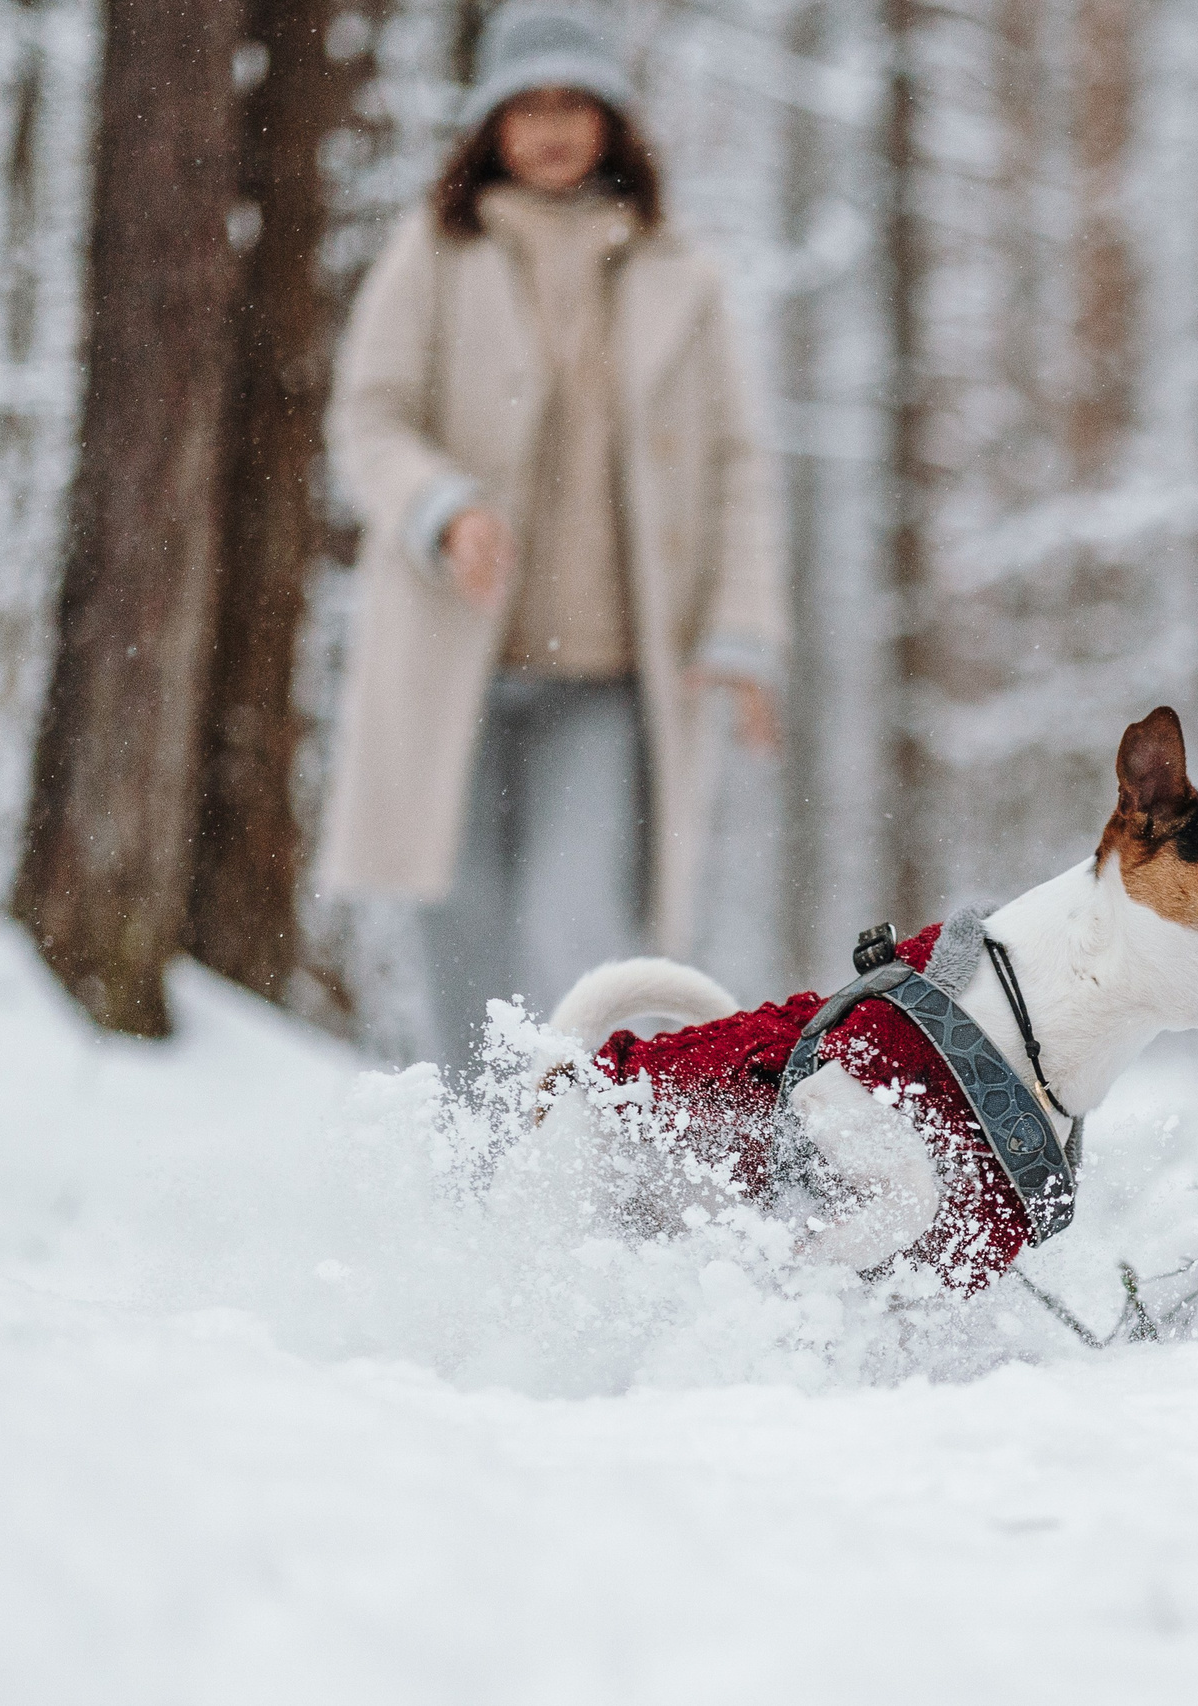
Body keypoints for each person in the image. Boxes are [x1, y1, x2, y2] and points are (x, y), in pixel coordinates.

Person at [316, 4, 783, 1066]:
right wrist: (441, 505)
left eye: (575, 102)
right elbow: (368, 417)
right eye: (528, 105)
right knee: (460, 932)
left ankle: (578, 1156)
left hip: (613, 676)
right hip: (453, 663)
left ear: (614, 122)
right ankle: (482, 1180)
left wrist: (743, 633)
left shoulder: (681, 274)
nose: (552, 125)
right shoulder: (434, 256)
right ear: (491, 124)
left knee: (575, 931)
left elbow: (735, 469)